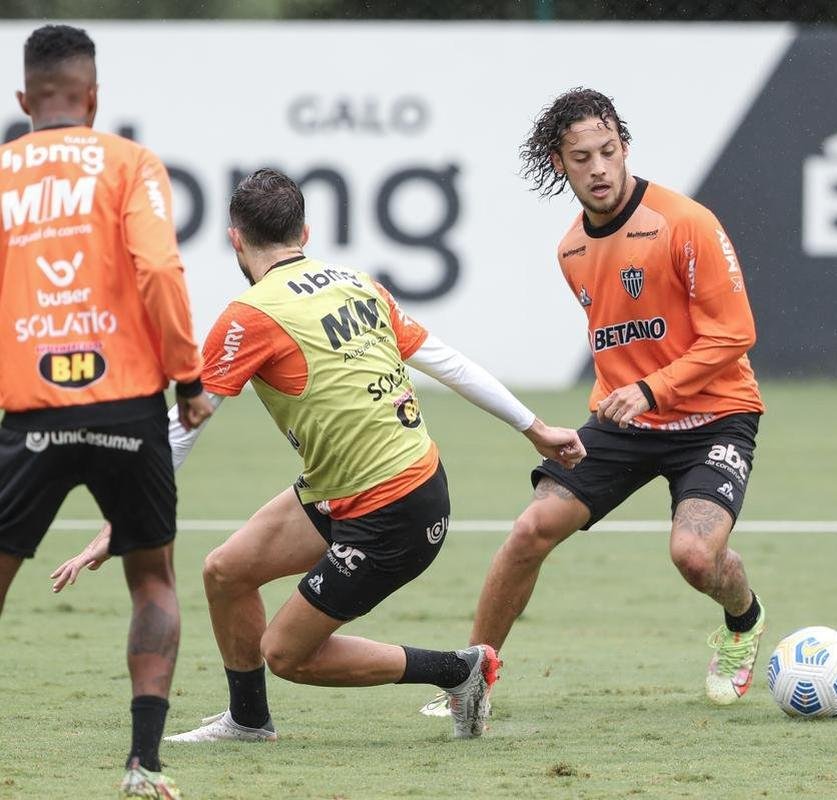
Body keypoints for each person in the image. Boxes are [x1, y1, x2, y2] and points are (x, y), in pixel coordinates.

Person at [54, 168, 585, 747]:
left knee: (286, 654)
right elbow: (448, 361)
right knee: (225, 572)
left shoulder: (250, 316)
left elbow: (184, 427)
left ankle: (459, 671)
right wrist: (533, 427)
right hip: (357, 489)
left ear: (235, 238)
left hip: (393, 512)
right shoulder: (356, 282)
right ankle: (248, 722)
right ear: (304, 231)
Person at [422, 87, 766, 719]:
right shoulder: (571, 250)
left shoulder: (685, 222)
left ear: (625, 148)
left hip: (715, 415)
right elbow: (622, 339)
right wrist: (626, 397)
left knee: (694, 557)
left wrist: (651, 389)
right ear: (561, 163)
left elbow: (735, 334)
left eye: (609, 152)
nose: (600, 168)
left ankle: (742, 621)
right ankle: (472, 677)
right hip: (625, 420)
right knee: (529, 531)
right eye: (582, 158)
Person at [0, 24, 212, 800]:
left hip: (29, 414)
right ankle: (142, 765)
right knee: (152, 579)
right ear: (93, 98)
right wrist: (188, 376)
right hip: (127, 406)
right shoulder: (129, 162)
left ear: (24, 100)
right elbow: (158, 265)